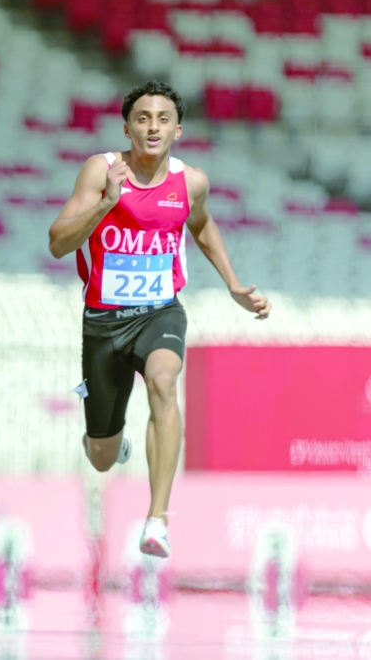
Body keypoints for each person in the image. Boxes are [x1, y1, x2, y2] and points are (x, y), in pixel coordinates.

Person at [48, 80, 271, 558]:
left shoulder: (191, 182)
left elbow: (202, 224)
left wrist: (233, 284)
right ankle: (111, 442)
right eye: (143, 119)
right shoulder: (100, 171)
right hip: (104, 323)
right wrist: (106, 203)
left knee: (164, 383)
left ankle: (157, 519)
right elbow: (58, 242)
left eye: (163, 119)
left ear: (178, 130)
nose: (153, 127)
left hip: (159, 312)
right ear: (126, 128)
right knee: (102, 458)